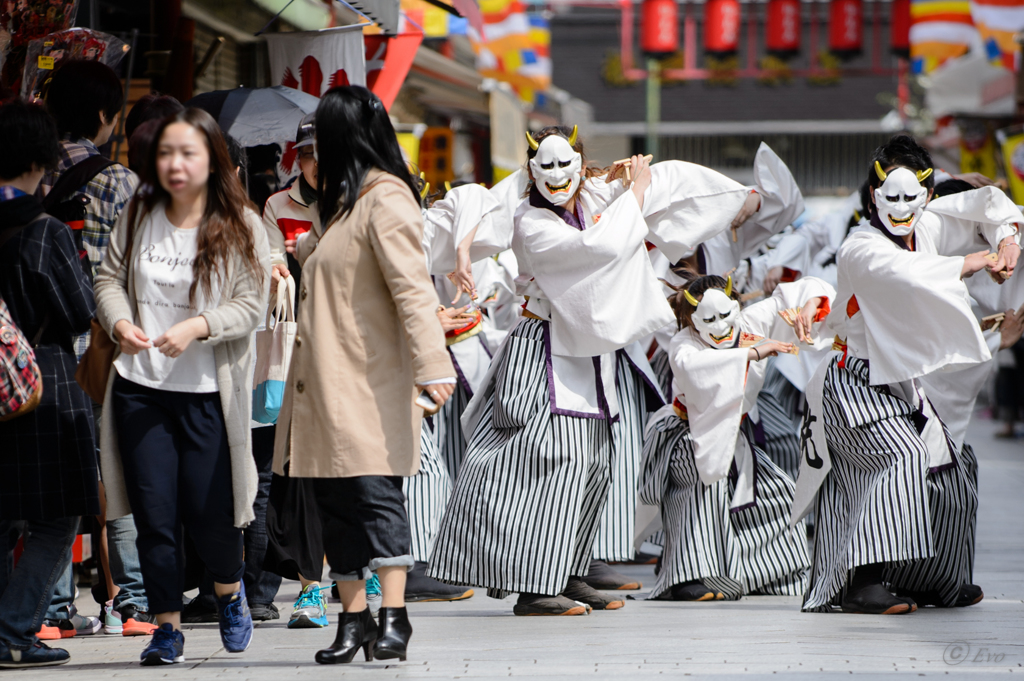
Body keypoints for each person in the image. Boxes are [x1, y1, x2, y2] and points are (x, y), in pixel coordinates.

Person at [428, 126, 751, 615]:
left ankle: (571, 571)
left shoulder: (592, 197)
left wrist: (640, 181)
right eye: (546, 166)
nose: (557, 176)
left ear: (580, 164)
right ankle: (537, 586)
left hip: (586, 352)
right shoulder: (530, 221)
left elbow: (658, 189)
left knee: (594, 464)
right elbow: (597, 248)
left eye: (567, 165)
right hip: (542, 351)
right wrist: (637, 194)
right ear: (530, 170)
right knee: (549, 462)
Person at [796, 135, 1021, 614]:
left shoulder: (931, 226)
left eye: (911, 199)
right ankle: (862, 583)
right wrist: (976, 261)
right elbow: (911, 275)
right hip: (855, 382)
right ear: (874, 195)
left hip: (901, 386)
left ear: (928, 194)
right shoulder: (860, 247)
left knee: (954, 467)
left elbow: (986, 204)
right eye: (890, 198)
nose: (900, 209)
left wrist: (1004, 239)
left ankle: (932, 579)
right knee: (902, 455)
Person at [273, 85, 455, 664]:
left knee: (375, 497)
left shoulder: (386, 198)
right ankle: (353, 619)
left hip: (366, 382)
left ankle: (394, 619)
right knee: (333, 505)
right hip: (321, 381)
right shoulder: (342, 202)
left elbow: (412, 290)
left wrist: (432, 366)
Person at [94, 107, 270, 664]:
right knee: (154, 514)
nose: (175, 164)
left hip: (207, 395)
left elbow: (251, 304)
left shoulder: (242, 222)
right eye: (167, 152)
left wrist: (199, 326)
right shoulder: (138, 212)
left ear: (210, 159)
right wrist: (119, 322)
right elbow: (107, 277)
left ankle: (227, 589)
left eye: (187, 153)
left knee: (211, 513)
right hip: (139, 386)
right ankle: (165, 624)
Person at [639, 274, 825, 601]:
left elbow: (791, 296)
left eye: (726, 314)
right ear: (693, 321)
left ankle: (768, 573)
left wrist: (809, 305)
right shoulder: (685, 342)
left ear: (736, 306)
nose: (721, 325)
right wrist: (751, 354)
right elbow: (695, 369)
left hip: (735, 435)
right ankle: (687, 577)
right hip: (688, 436)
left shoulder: (752, 322)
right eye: (708, 319)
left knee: (778, 492)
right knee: (701, 492)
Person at [0, 99, 97, 668]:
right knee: (57, 517)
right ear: (44, 156)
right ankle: (12, 630)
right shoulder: (46, 231)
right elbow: (79, 310)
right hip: (43, 385)